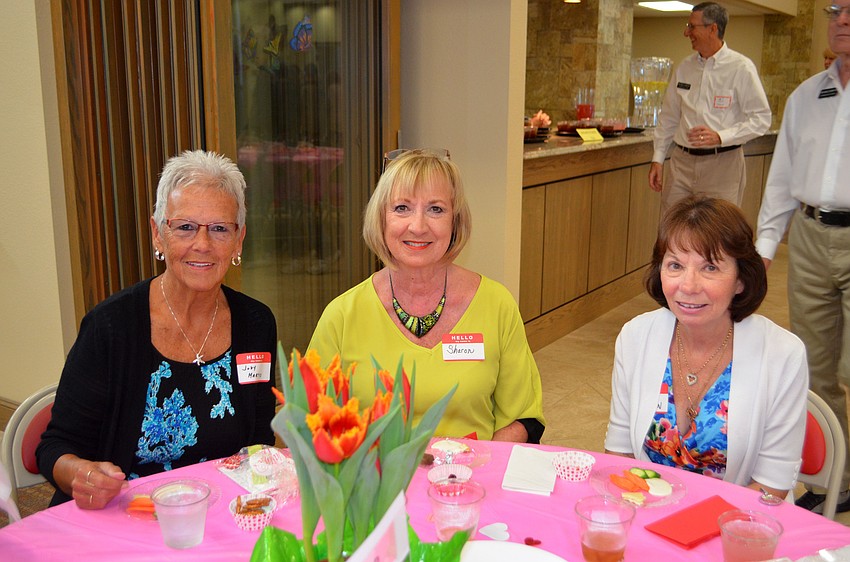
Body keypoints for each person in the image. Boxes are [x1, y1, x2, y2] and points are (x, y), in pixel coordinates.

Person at [36, 150, 278, 508]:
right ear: (158, 234)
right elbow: (55, 448)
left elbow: (257, 442)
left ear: (239, 239)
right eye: (185, 227)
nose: (203, 244)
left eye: (219, 228)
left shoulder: (256, 323)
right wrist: (83, 475)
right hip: (123, 516)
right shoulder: (111, 326)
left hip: (219, 516)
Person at [308, 149, 545, 443]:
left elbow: (523, 417)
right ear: (381, 219)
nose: (418, 226)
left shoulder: (497, 305)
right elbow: (312, 421)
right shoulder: (342, 316)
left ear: (455, 222)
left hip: (472, 480)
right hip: (376, 482)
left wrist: (481, 473)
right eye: (402, 208)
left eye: (436, 209)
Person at [605, 195, 808, 498]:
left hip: (737, 524)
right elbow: (619, 453)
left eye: (710, 268)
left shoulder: (782, 355)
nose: (688, 285)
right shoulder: (635, 336)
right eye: (675, 265)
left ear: (740, 279)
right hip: (647, 513)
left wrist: (690, 529)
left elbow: (772, 486)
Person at [755, 1, 850, 514]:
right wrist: (764, 247)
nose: (842, 19)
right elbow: (783, 177)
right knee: (815, 367)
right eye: (835, 8)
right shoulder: (807, 96)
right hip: (811, 236)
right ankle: (838, 478)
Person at [648, 2, 771, 213]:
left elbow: (762, 119)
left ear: (712, 29)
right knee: (672, 230)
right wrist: (658, 159)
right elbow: (669, 117)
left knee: (717, 234)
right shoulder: (685, 67)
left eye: (692, 26)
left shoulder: (741, 68)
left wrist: (721, 136)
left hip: (723, 165)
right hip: (681, 164)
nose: (687, 32)